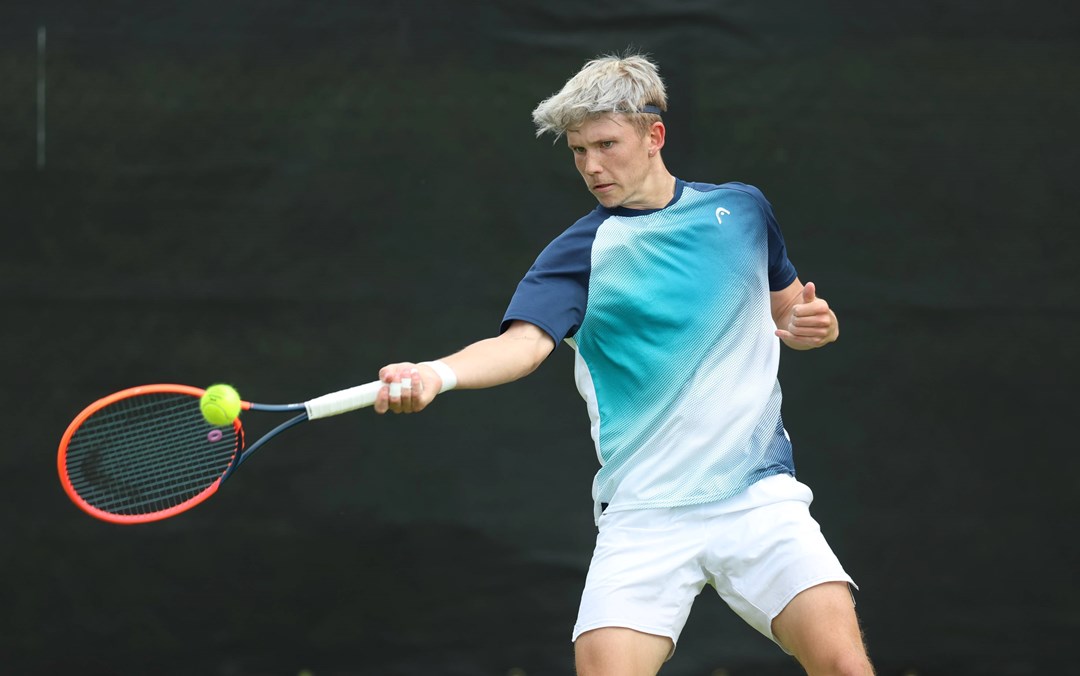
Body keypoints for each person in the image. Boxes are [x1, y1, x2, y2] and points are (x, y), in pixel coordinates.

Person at [373, 52, 874, 676]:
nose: (591, 166)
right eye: (579, 151)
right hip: (643, 513)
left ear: (653, 136)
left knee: (845, 668)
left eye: (606, 144)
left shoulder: (742, 212)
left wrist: (807, 326)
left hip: (758, 497)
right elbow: (524, 345)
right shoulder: (580, 251)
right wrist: (436, 374)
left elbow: (786, 311)